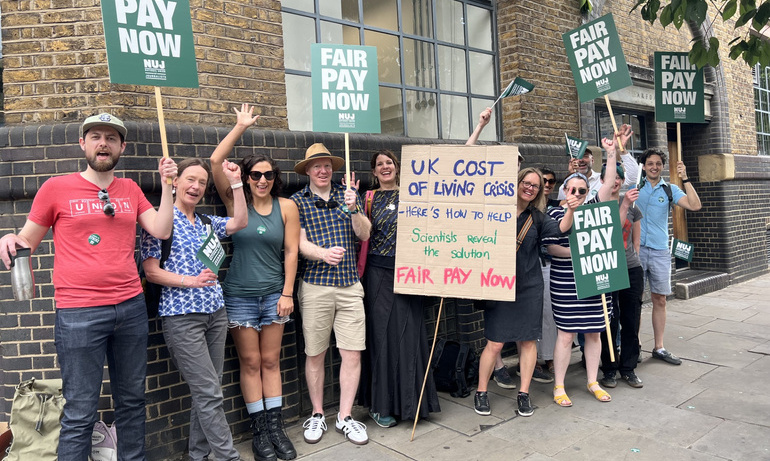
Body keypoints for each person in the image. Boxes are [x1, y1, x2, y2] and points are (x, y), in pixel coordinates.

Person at [0, 113, 177, 460]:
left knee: (132, 401)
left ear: (121, 147)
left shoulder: (130, 189)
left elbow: (160, 229)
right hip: (78, 313)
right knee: (80, 410)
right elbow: (27, 239)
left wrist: (167, 186)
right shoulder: (56, 188)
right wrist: (9, 236)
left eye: (111, 138)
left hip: (130, 308)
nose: (103, 144)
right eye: (96, 136)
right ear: (83, 143)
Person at [141, 158, 248, 461]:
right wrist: (191, 281)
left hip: (216, 313)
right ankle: (228, 457)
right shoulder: (160, 222)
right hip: (182, 317)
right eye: (190, 179)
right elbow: (151, 272)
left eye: (202, 182)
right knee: (209, 392)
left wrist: (237, 183)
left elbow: (239, 222)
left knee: (210, 391)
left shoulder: (205, 222)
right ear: (175, 182)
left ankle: (197, 455)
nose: (196, 187)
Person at [210, 104, 300, 461]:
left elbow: (291, 252)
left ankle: (276, 428)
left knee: (271, 362)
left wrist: (287, 292)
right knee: (249, 363)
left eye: (268, 174)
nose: (262, 179)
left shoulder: (287, 207)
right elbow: (215, 163)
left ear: (275, 178)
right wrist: (239, 127)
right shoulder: (236, 203)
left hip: (275, 296)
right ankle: (259, 432)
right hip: (240, 297)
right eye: (255, 174)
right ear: (246, 177)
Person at [474, 167, 577, 418]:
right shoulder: (495, 210)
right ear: (517, 182)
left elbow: (561, 229)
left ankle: (523, 393)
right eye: (526, 183)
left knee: (528, 341)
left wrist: (572, 209)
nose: (529, 188)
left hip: (529, 286)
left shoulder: (538, 217)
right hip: (498, 285)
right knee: (495, 343)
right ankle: (481, 392)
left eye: (535, 186)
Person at [291, 144, 372, 445]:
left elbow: (364, 233)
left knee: (352, 353)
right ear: (308, 171)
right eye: (317, 166)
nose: (323, 171)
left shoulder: (348, 195)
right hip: (315, 286)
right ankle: (316, 414)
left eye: (327, 166)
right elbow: (298, 243)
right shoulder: (297, 201)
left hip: (350, 285)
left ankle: (345, 416)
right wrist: (323, 253)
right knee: (315, 353)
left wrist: (355, 209)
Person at [357, 150, 440, 428]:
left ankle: (414, 402)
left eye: (389, 162)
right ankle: (381, 406)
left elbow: (453, 172)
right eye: (379, 164)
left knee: (410, 335)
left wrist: (477, 128)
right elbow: (363, 235)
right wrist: (355, 208)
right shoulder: (367, 198)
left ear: (397, 167)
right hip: (378, 273)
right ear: (374, 171)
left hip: (410, 272)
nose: (384, 167)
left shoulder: (413, 195)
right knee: (381, 338)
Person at [544, 135, 620, 408]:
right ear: (563, 191)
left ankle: (592, 381)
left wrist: (610, 153)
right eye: (572, 190)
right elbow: (553, 246)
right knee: (565, 334)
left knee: (595, 332)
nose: (576, 194)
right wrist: (578, 253)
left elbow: (609, 183)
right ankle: (560, 385)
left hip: (593, 277)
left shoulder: (593, 208)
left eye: (582, 191)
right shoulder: (552, 214)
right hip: (565, 281)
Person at [636, 148, 702, 365]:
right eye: (650, 163)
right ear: (644, 166)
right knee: (634, 302)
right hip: (635, 251)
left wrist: (686, 178)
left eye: (658, 163)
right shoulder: (635, 187)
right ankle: (632, 346)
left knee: (660, 299)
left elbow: (695, 205)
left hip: (660, 251)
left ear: (662, 166)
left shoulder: (670, 189)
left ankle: (659, 347)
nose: (654, 167)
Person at [599, 163, 644, 389]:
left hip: (631, 268)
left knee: (630, 318)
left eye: (619, 177)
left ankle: (628, 368)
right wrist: (624, 204)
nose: (615, 181)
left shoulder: (633, 205)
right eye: (611, 177)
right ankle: (609, 368)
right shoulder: (598, 205)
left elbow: (635, 239)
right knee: (609, 321)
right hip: (608, 268)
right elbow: (611, 233)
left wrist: (633, 259)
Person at [558, 124, 638, 201]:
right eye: (577, 157)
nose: (581, 160)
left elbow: (633, 177)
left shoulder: (602, 180)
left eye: (585, 156)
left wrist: (621, 149)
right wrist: (572, 176)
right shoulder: (564, 188)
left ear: (592, 160)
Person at [536, 167, 560, 377]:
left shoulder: (556, 206)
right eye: (544, 180)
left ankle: (550, 357)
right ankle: (533, 359)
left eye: (551, 181)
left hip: (548, 263)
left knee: (549, 313)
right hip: (527, 264)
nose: (548, 184)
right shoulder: (527, 206)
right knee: (529, 313)